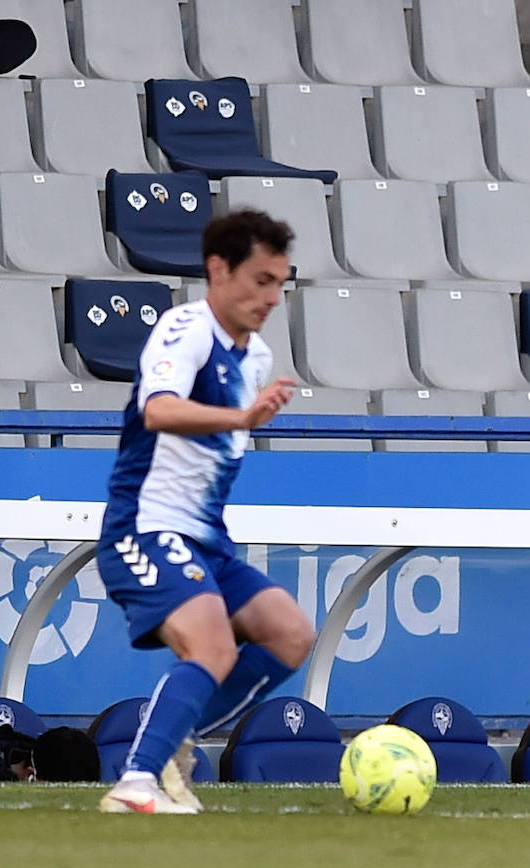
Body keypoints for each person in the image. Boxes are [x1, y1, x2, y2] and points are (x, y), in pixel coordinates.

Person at [96, 209, 315, 814]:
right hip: (145, 526)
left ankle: (174, 740)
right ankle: (135, 783)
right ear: (218, 270)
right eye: (260, 280)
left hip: (207, 540)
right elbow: (159, 411)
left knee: (290, 634)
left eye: (280, 283)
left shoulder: (258, 358)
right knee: (214, 649)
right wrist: (241, 418)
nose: (271, 297)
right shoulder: (185, 329)